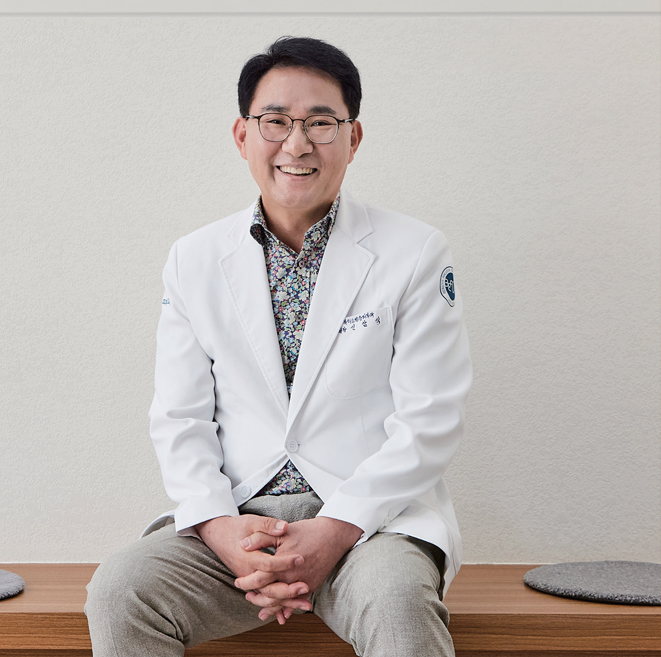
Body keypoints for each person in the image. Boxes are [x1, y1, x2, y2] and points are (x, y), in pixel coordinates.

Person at [85, 36, 471, 657]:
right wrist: (220, 528)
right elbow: (180, 417)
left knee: (397, 600)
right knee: (121, 591)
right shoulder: (194, 258)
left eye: (321, 123)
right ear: (243, 136)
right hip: (238, 521)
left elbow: (431, 417)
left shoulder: (415, 251)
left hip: (369, 523)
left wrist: (335, 529)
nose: (297, 144)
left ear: (353, 137)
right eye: (276, 122)